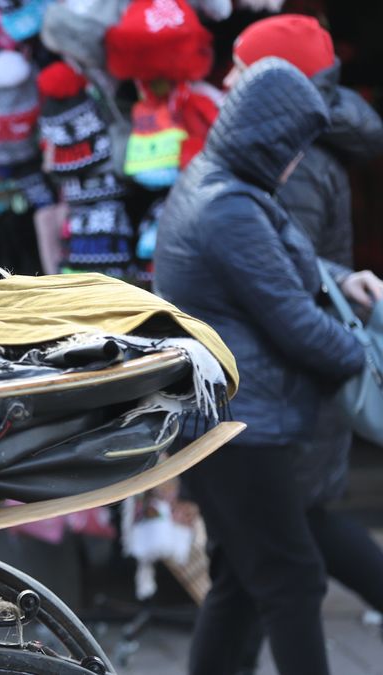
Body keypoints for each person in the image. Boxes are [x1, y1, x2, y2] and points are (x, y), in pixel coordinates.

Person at [153, 58, 365, 675]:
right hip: (245, 424)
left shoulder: (220, 184)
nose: (298, 161)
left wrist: (346, 285)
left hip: (234, 419)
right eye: (295, 147)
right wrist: (361, 356)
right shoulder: (229, 208)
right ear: (272, 140)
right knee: (291, 582)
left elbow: (289, 285)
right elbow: (296, 324)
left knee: (244, 585)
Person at [224, 14, 383, 660]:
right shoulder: (294, 148)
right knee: (260, 566)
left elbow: (290, 282)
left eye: (243, 66)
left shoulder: (296, 162)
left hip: (288, 396)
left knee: (276, 565)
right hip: (285, 392)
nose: (227, 76)